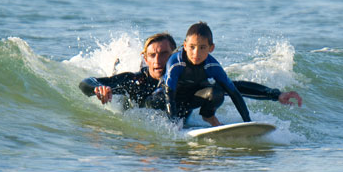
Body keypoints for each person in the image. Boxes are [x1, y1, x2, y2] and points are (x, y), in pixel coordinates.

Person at [78, 31, 302, 116]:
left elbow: (234, 87)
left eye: (164, 54)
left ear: (175, 54)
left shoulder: (183, 75)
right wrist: (99, 88)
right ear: (144, 58)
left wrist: (276, 95)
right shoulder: (135, 80)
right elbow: (85, 83)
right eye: (152, 55)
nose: (158, 61)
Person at [159, 22, 248, 126]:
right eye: (192, 47)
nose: (196, 53)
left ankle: (208, 116)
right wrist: (173, 126)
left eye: (202, 47)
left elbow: (234, 93)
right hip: (167, 100)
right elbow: (169, 96)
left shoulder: (212, 66)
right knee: (156, 100)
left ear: (211, 48)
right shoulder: (176, 63)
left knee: (217, 93)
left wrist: (248, 121)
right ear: (185, 46)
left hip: (190, 102)